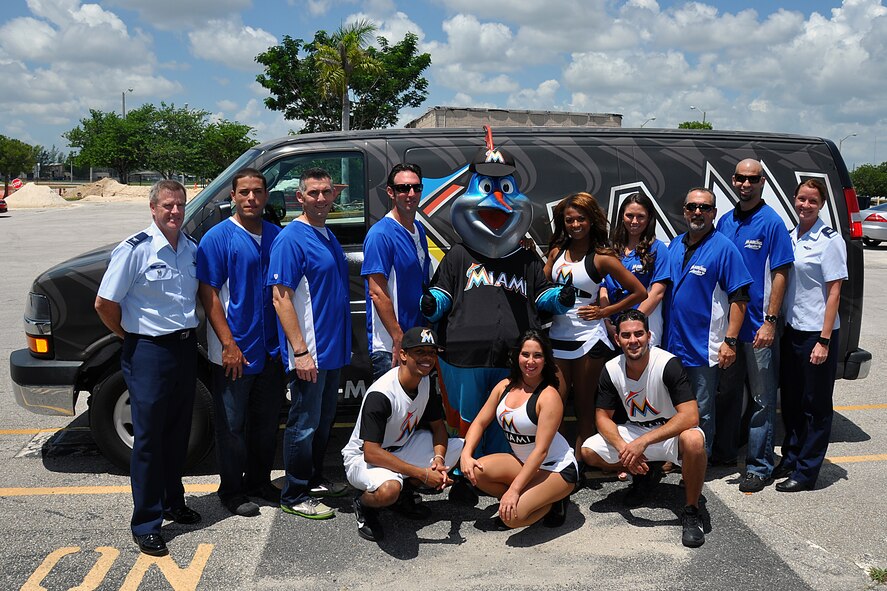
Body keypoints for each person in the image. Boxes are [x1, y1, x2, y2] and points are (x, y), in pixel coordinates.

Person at [95, 179, 201, 557]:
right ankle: (146, 522)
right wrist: (130, 336)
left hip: (185, 349)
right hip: (149, 351)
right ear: (153, 208)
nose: (175, 212)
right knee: (149, 440)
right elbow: (104, 303)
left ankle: (174, 501)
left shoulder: (189, 248)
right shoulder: (135, 250)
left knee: (177, 433)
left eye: (180, 205)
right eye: (168, 205)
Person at [197, 168, 285, 517]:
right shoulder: (217, 238)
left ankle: (259, 481)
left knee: (266, 422)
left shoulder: (277, 235)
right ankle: (231, 490)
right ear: (233, 196)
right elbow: (209, 294)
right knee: (232, 425)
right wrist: (228, 344)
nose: (251, 198)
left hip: (271, 349)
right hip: (235, 349)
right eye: (244, 192)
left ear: (266, 196)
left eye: (258, 192)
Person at [580, 309, 708, 548]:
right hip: (636, 432)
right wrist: (624, 449)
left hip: (671, 434)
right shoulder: (611, 368)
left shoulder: (667, 363)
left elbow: (690, 416)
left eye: (639, 334)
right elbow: (602, 417)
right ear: (617, 339)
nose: (633, 341)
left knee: (694, 440)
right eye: (626, 336)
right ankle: (647, 472)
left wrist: (643, 442)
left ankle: (691, 511)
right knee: (589, 451)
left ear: (649, 336)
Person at [269, 167, 351, 520]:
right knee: (303, 424)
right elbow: (280, 297)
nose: (320, 198)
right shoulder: (291, 238)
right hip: (311, 353)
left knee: (322, 420)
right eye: (313, 193)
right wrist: (300, 352)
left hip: (331, 350)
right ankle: (295, 491)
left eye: (326, 192)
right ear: (299, 197)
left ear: (335, 196)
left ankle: (314, 477)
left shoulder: (326, 234)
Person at [651, 188, 752, 458]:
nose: (698, 212)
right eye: (692, 207)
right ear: (684, 211)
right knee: (672, 407)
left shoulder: (724, 248)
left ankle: (699, 463)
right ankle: (675, 457)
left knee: (701, 410)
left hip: (703, 348)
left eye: (705, 208)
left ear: (714, 213)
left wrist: (730, 341)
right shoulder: (674, 245)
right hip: (672, 345)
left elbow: (740, 298)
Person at [713, 159, 794, 493]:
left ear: (762, 182)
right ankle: (724, 452)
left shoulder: (772, 223)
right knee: (728, 392)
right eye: (741, 178)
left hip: (759, 328)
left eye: (753, 179)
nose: (746, 184)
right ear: (733, 180)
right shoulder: (724, 221)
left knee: (762, 399)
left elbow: (781, 274)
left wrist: (771, 322)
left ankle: (760, 466)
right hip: (731, 329)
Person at [543, 192, 646, 454]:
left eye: (581, 219)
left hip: (588, 339)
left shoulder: (602, 257)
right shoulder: (556, 252)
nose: (575, 225)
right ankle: (559, 461)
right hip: (557, 336)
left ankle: (582, 462)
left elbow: (639, 292)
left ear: (591, 221)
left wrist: (605, 312)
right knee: (554, 402)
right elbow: (541, 286)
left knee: (585, 406)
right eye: (569, 220)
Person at [342, 327, 464, 541]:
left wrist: (438, 460)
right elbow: (371, 453)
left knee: (456, 447)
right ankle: (364, 504)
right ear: (403, 355)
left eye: (432, 352)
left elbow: (438, 428)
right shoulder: (381, 394)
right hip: (363, 459)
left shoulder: (425, 380)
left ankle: (403, 497)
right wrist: (423, 474)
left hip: (399, 449)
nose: (427, 358)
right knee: (389, 489)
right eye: (420, 352)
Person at [460, 331, 578, 529]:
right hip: (523, 464)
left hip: (555, 468)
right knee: (475, 471)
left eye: (537, 355)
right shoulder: (504, 386)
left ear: (546, 360)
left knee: (511, 518)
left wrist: (514, 490)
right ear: (517, 356)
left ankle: (553, 500)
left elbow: (541, 451)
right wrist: (466, 453)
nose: (530, 361)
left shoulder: (549, 397)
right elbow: (479, 422)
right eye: (525, 354)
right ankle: (527, 498)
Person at [776, 179, 847, 492]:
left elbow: (834, 293)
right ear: (794, 200)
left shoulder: (830, 241)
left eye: (812, 201)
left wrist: (824, 340)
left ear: (821, 205)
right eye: (801, 199)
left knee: (815, 406)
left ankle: (806, 472)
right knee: (791, 402)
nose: (805, 205)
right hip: (792, 331)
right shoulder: (791, 237)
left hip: (816, 335)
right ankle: (791, 457)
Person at [362, 163, 432, 380]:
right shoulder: (380, 234)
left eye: (416, 188)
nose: (410, 194)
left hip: (416, 341)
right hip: (392, 346)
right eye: (403, 188)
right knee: (393, 412)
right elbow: (376, 291)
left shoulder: (418, 229)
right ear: (391, 192)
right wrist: (397, 337)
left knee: (414, 412)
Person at [601, 192, 670, 347]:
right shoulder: (610, 249)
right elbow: (603, 288)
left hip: (641, 331)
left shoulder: (658, 249)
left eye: (641, 216)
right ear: (621, 216)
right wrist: (607, 322)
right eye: (629, 215)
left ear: (649, 219)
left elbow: (657, 292)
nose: (634, 221)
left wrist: (632, 324)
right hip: (611, 331)